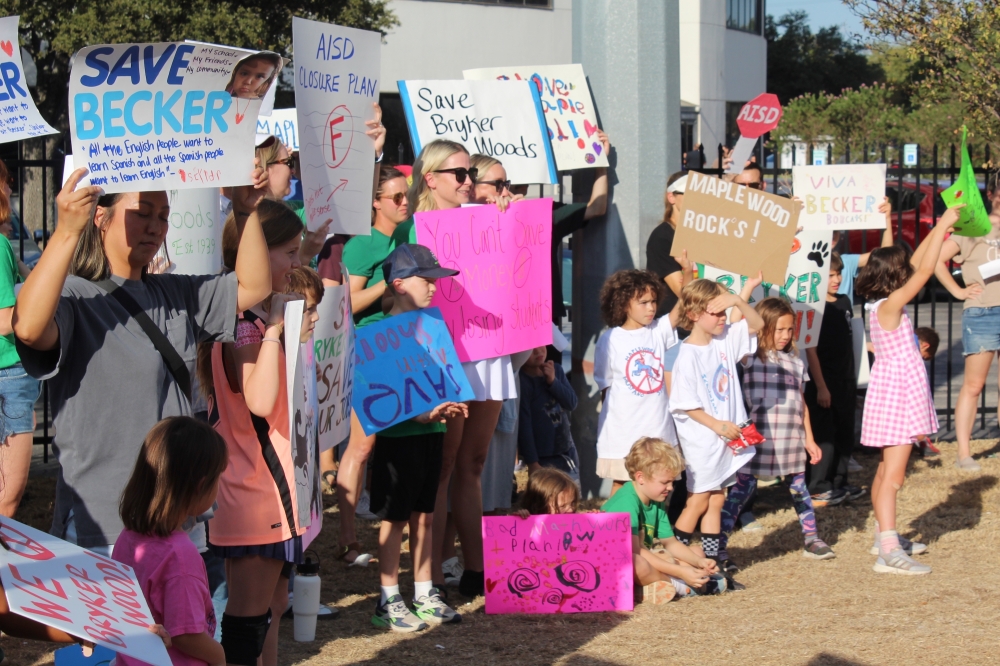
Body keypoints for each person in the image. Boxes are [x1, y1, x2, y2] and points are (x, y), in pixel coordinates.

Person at [13, 164, 271, 554]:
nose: (155, 227)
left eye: (164, 216)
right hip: (102, 530)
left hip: (177, 521)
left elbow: (253, 287)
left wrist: (246, 209)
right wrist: (66, 231)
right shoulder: (75, 297)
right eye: (143, 213)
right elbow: (29, 328)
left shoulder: (175, 292)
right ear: (101, 217)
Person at [398, 140, 517, 597]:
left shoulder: (489, 220)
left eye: (471, 175)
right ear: (430, 179)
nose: (469, 182)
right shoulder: (415, 230)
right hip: (444, 352)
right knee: (443, 465)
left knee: (475, 462)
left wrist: (511, 224)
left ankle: (475, 568)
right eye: (459, 174)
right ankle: (427, 571)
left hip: (489, 348)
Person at [203, 200, 311, 665]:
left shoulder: (248, 318)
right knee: (246, 622)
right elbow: (260, 401)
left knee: (269, 608)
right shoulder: (245, 326)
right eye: (289, 252)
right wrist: (276, 331)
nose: (296, 263)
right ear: (256, 254)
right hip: (256, 493)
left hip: (265, 488)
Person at [855, 207, 958, 575]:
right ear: (895, 277)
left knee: (885, 472)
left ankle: (885, 536)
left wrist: (935, 229)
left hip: (895, 391)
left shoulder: (880, 303)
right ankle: (888, 550)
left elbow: (916, 264)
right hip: (897, 395)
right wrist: (944, 226)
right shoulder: (891, 305)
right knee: (894, 477)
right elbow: (926, 270)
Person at [370, 244, 467, 632]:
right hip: (399, 437)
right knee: (395, 518)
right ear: (397, 284)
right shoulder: (376, 334)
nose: (432, 288)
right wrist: (428, 411)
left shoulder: (434, 326)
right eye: (424, 280)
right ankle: (388, 596)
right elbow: (383, 395)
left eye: (435, 280)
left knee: (426, 514)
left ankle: (425, 591)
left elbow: (444, 379)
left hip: (432, 432)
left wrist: (446, 406)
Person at [719, 298, 834, 573]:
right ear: (764, 328)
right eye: (778, 329)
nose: (784, 335)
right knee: (741, 491)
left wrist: (809, 438)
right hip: (756, 438)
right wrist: (739, 298)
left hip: (790, 437)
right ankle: (719, 544)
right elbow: (734, 327)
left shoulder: (795, 362)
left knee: (798, 488)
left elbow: (801, 402)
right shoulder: (748, 358)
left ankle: (811, 538)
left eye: (789, 329)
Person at [335, 164, 412, 567]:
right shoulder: (362, 245)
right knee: (362, 446)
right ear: (374, 203)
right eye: (396, 197)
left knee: (400, 446)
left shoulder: (408, 232)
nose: (404, 203)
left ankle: (393, 526)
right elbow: (346, 304)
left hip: (403, 347)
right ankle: (348, 539)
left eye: (406, 196)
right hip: (369, 350)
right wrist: (390, 280)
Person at [669, 277, 763, 587]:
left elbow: (757, 322)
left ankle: (711, 559)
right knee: (698, 500)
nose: (723, 319)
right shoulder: (686, 356)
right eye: (716, 314)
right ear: (695, 314)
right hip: (704, 440)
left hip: (727, 438)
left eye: (724, 314)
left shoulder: (724, 341)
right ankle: (676, 559)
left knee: (717, 499)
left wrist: (737, 300)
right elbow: (684, 405)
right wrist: (717, 425)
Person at [113, 417, 228, 666]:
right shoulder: (180, 556)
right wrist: (219, 656)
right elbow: (186, 634)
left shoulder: (128, 536)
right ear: (200, 486)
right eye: (218, 477)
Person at [594, 266, 686, 494]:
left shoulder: (657, 331)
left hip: (658, 427)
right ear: (623, 304)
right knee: (623, 483)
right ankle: (618, 529)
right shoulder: (610, 339)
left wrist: (687, 269)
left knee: (660, 483)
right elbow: (606, 388)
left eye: (654, 301)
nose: (651, 308)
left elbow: (684, 304)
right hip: (624, 430)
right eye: (643, 302)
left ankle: (654, 530)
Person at [600, 437, 725, 604]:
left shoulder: (654, 499)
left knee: (696, 551)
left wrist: (698, 562)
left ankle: (645, 590)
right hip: (613, 568)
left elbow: (671, 543)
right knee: (637, 563)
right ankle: (682, 587)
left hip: (642, 558)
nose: (671, 488)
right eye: (665, 482)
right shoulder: (626, 502)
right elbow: (635, 552)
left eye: (672, 482)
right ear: (641, 477)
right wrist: (681, 572)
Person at [933, 204, 998, 471]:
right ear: (992, 193)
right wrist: (957, 291)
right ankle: (964, 452)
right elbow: (935, 258)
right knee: (974, 385)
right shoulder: (972, 227)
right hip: (982, 312)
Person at [804, 252, 865, 505]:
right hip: (824, 382)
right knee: (825, 436)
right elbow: (811, 350)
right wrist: (821, 386)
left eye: (838, 274)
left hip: (846, 380)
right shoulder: (814, 306)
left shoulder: (844, 301)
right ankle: (818, 485)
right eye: (830, 275)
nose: (836, 279)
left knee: (844, 433)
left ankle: (840, 482)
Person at [0, 159, 39, 517]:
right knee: (8, 497)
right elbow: (3, 321)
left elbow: (34, 279)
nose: (12, 188)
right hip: (9, 375)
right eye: (7, 181)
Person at [517, 346, 580, 480]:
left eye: (541, 345)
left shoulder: (556, 370)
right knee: (548, 498)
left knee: (571, 493)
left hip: (566, 451)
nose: (538, 350)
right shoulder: (522, 381)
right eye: (531, 348)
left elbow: (571, 403)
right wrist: (532, 462)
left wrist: (553, 381)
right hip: (542, 458)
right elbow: (524, 426)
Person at [833, 197, 894, 301]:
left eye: (835, 231)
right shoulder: (801, 262)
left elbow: (885, 254)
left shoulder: (846, 262)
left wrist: (887, 219)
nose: (831, 236)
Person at [515, 467, 581, 516]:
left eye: (572, 503)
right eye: (562, 506)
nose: (571, 510)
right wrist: (520, 519)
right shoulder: (529, 523)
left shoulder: (573, 522)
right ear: (539, 505)